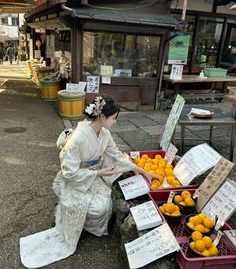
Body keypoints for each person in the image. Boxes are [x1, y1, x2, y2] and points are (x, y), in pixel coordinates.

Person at [20, 96, 159, 268]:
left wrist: (143, 171)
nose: (115, 122)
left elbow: (116, 155)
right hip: (77, 180)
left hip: (93, 176)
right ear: (102, 117)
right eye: (114, 118)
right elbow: (69, 172)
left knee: (104, 206)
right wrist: (98, 172)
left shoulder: (105, 134)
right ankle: (72, 220)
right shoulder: (77, 138)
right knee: (96, 208)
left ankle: (86, 224)